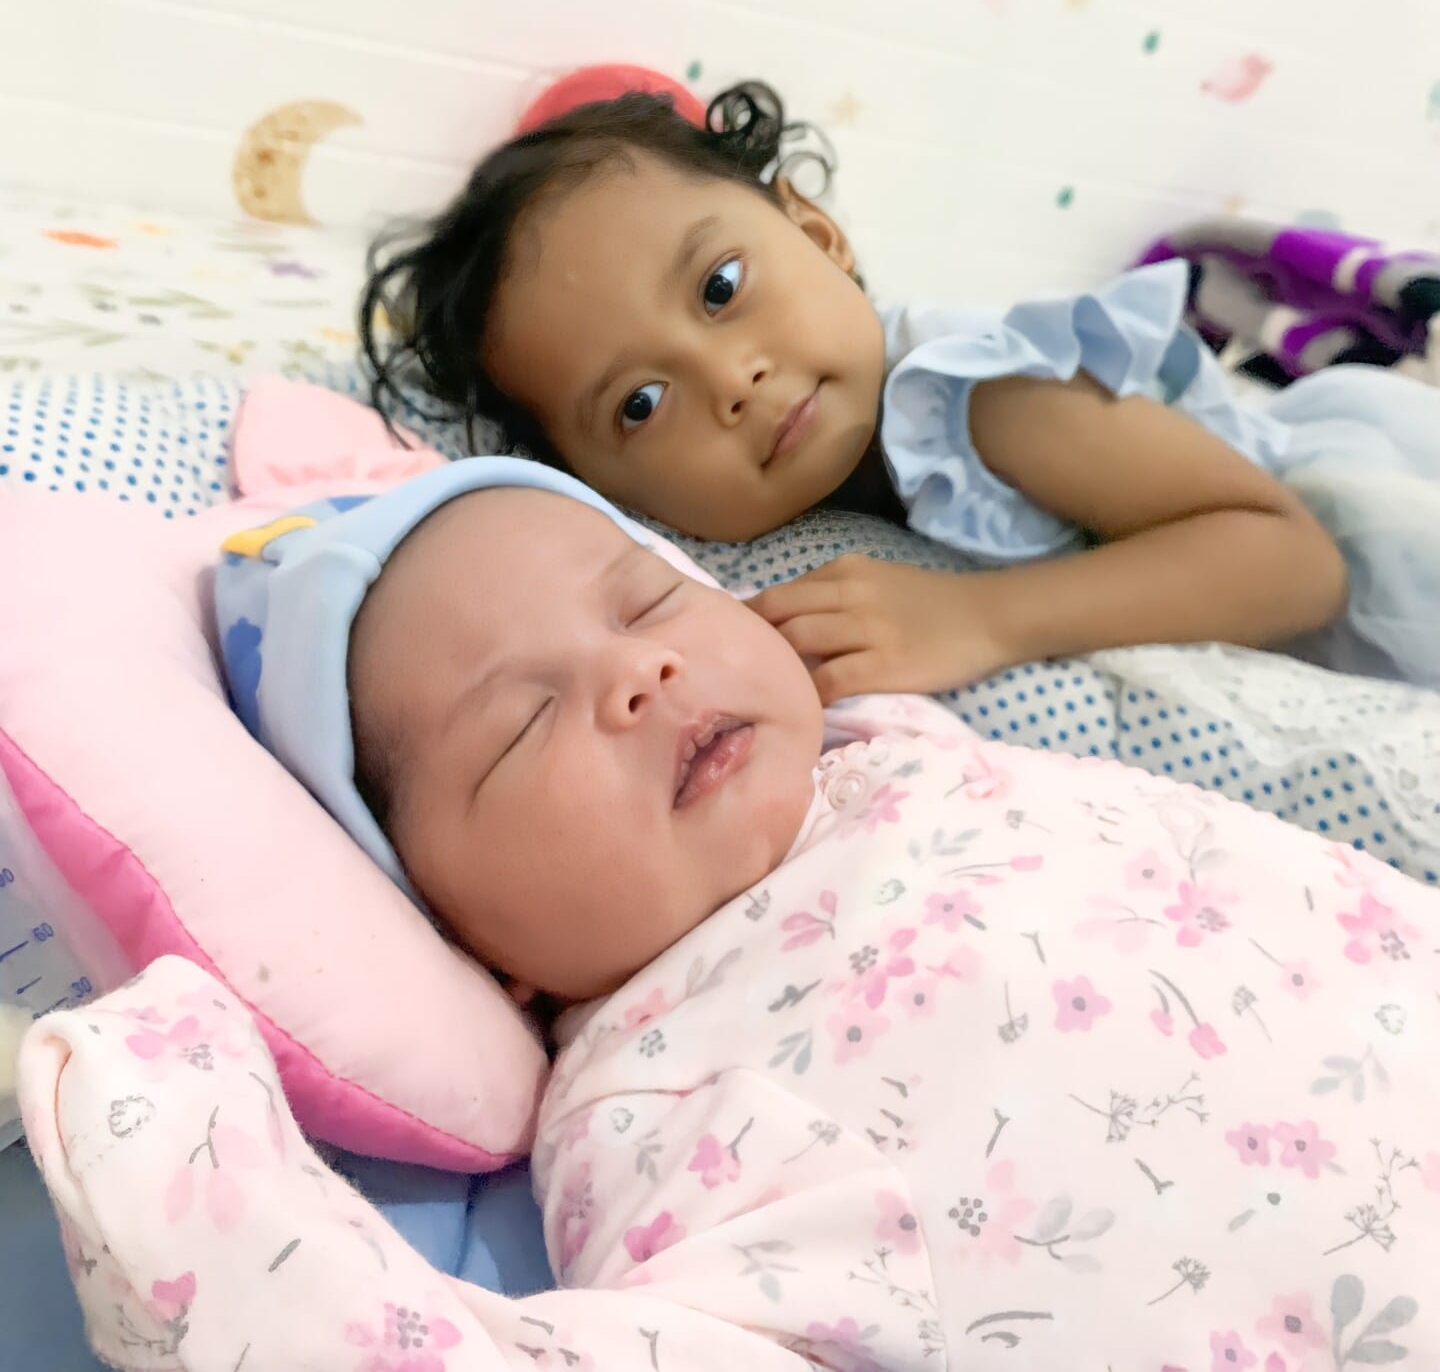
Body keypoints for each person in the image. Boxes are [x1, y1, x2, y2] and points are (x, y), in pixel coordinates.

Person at [23, 458, 1440, 1371]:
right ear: (474, 948)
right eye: (520, 728)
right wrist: (220, 1210)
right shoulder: (657, 1087)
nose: (636, 674)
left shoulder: (904, 741)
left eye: (647, 600)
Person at [358, 84, 1440, 700]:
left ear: (816, 231)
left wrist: (980, 619)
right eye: (640, 405)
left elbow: (1295, 564)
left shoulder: (982, 396)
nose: (731, 381)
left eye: (721, 288)